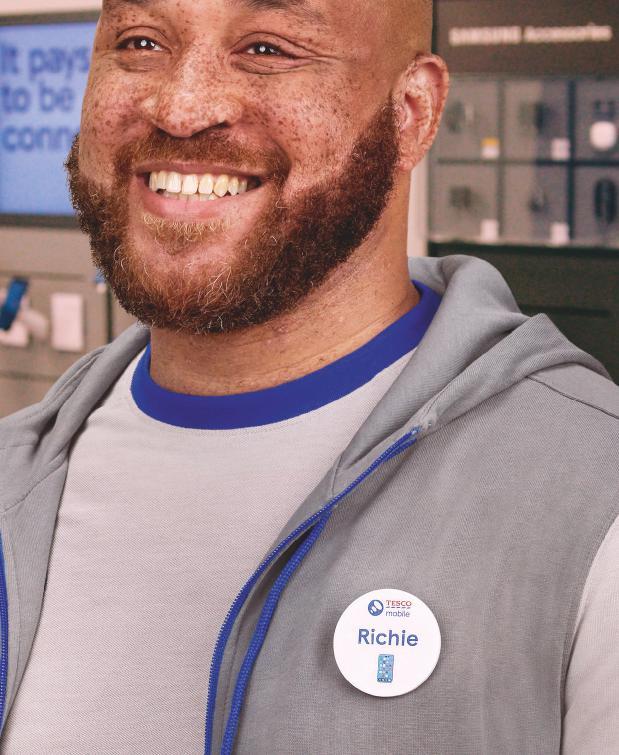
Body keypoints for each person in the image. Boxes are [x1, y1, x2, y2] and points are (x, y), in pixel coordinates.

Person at [0, 0, 617, 752]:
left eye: (267, 48)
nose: (182, 107)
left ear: (412, 112)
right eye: (141, 41)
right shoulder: (15, 483)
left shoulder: (594, 501)